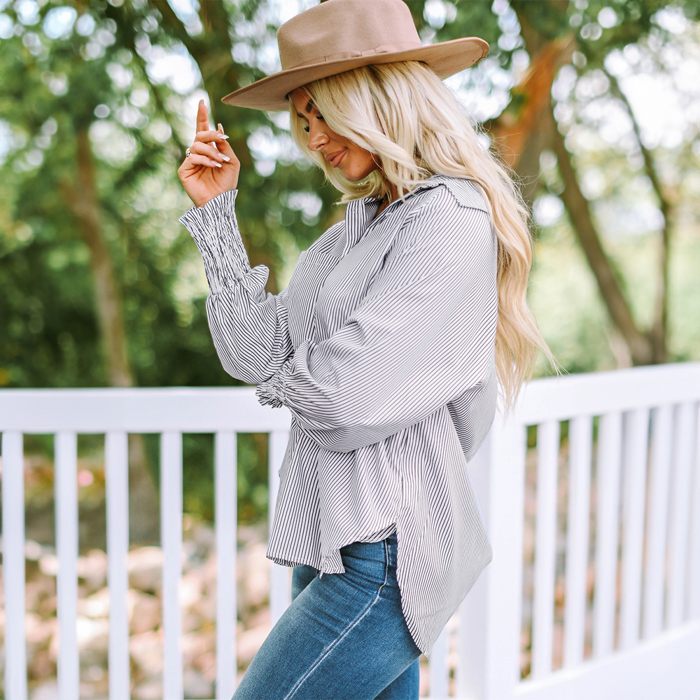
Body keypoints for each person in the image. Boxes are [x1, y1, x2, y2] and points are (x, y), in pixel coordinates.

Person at [177, 0, 561, 697]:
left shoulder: (449, 219)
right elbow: (249, 350)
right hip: (331, 542)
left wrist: (286, 372)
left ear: (377, 96)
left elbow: (346, 399)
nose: (312, 137)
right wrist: (215, 217)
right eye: (302, 119)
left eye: (322, 111)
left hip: (384, 556)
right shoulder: (354, 229)